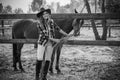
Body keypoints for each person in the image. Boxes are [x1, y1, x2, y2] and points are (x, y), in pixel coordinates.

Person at [36, 7, 69, 80]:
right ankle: (37, 77)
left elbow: (58, 29)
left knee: (48, 59)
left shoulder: (51, 21)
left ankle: (44, 77)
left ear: (48, 14)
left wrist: (66, 34)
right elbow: (45, 35)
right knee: (40, 58)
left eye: (46, 13)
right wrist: (55, 40)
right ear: (41, 15)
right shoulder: (39, 23)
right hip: (42, 42)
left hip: (50, 43)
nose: (45, 15)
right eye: (43, 14)